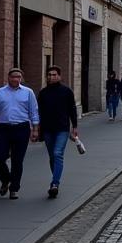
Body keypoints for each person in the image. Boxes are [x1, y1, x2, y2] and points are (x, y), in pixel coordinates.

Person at [0, 67, 39, 199]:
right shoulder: (0, 92)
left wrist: (35, 129)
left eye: (18, 77)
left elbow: (34, 111)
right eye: (13, 76)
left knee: (17, 160)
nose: (15, 79)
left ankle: (14, 189)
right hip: (4, 129)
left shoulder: (28, 92)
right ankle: (6, 179)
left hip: (22, 128)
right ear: (8, 78)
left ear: (21, 79)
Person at [37, 65, 79, 199]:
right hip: (47, 129)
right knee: (52, 157)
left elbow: (72, 109)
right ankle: (56, 179)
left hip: (62, 128)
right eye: (49, 75)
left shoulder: (66, 91)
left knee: (57, 154)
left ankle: (55, 183)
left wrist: (75, 126)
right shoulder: (43, 93)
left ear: (59, 76)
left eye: (54, 75)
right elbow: (39, 112)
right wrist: (37, 128)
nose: (51, 77)